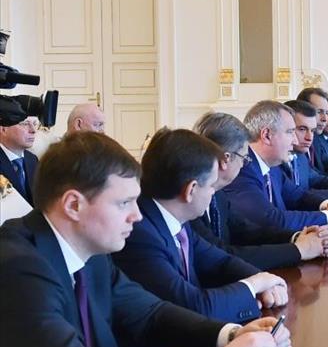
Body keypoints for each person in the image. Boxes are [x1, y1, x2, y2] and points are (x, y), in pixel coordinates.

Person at [0, 132, 290, 347]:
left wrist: (231, 335)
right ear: (73, 205)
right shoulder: (17, 269)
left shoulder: (91, 252)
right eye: (124, 203)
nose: (137, 216)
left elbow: (151, 314)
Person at [113, 128, 289, 324]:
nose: (214, 193)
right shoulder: (140, 234)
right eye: (212, 185)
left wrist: (264, 281)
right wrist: (253, 286)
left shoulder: (177, 220)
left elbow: (220, 262)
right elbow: (192, 305)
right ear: (191, 190)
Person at [191, 111, 328, 269]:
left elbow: (245, 231)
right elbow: (221, 255)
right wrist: (299, 250)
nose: (244, 164)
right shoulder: (190, 201)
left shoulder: (218, 193)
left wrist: (297, 237)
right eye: (243, 158)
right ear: (225, 159)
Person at [222, 101, 328, 237]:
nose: (295, 141)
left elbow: (298, 196)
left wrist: (327, 205)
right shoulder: (242, 169)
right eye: (290, 132)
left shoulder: (272, 167)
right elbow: (271, 220)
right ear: (267, 135)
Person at [0, 117, 39, 205]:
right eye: (25, 123)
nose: (33, 130)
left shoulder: (32, 159)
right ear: (3, 128)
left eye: (35, 124)